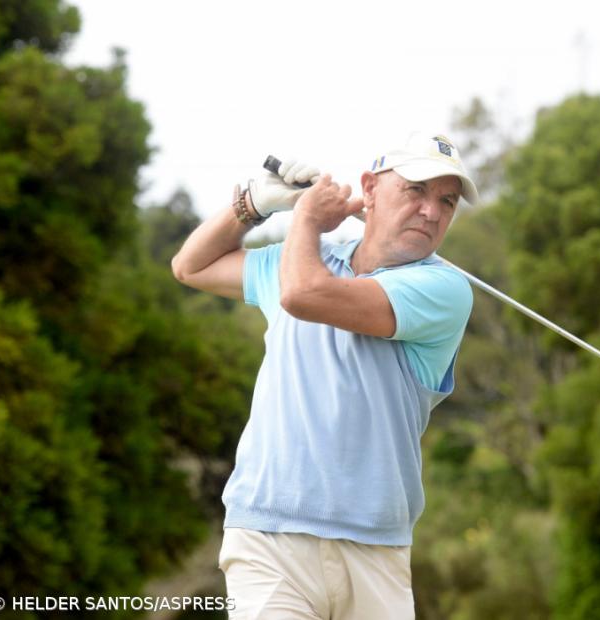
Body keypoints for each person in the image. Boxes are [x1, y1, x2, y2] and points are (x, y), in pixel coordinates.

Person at [171, 132, 479, 619]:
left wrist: (307, 220)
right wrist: (252, 206)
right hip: (269, 540)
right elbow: (191, 267)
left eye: (447, 200)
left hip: (375, 551)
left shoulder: (442, 289)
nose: (431, 211)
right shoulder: (309, 259)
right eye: (415, 190)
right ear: (370, 190)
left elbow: (304, 295)